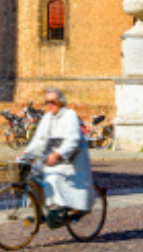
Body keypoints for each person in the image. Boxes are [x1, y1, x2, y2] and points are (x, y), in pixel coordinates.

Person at [20, 87, 93, 221]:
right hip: (53, 158)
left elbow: (73, 140)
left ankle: (56, 209)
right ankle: (40, 211)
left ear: (60, 102)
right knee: (33, 175)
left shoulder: (69, 115)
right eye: (47, 102)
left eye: (53, 101)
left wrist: (58, 154)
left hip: (72, 159)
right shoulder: (47, 118)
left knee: (52, 179)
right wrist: (26, 153)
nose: (50, 105)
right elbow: (39, 140)